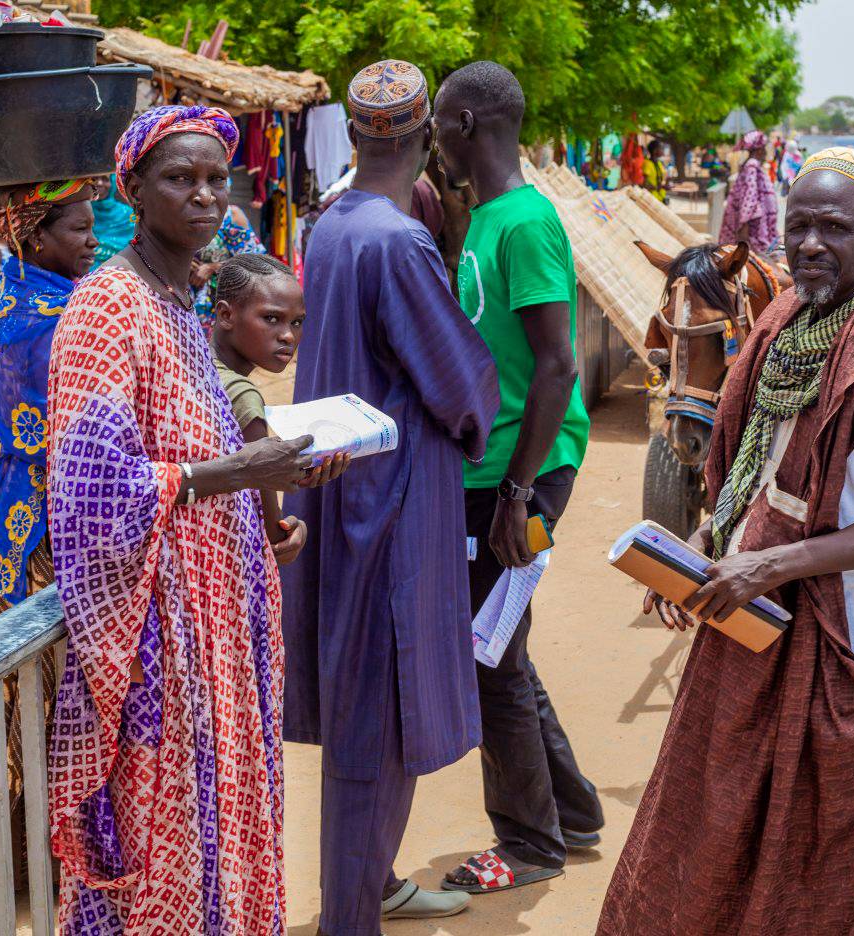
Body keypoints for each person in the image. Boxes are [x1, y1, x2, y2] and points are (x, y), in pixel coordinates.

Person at [599, 147, 854, 934]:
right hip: (755, 612)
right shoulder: (787, 321)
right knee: (728, 817)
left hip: (853, 625)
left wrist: (773, 563)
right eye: (799, 228)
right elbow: (752, 463)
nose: (813, 244)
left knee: (830, 839)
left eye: (834, 227)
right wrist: (703, 544)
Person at [45, 104, 345, 933]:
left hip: (218, 627)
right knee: (166, 838)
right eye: (180, 178)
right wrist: (241, 471)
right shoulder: (109, 309)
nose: (206, 195)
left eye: (217, 178)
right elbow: (92, 488)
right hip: (160, 644)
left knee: (222, 835)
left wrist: (262, 516)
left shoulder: (180, 302)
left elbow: (194, 453)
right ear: (132, 189)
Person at [280, 60, 500, 936]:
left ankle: (373, 890)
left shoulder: (332, 222)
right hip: (390, 503)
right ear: (420, 137)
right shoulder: (396, 239)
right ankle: (352, 916)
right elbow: (455, 382)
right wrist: (487, 419)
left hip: (342, 492)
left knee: (368, 712)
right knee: (376, 721)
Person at [431, 60, 603, 896]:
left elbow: (557, 364)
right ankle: (572, 811)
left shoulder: (525, 224)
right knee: (501, 644)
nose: (431, 138)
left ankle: (531, 843)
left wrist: (516, 492)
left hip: (521, 476)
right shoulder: (492, 217)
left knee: (485, 658)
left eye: (437, 122)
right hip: (500, 470)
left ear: (466, 125)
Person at [0, 176, 99, 899]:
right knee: (38, 695)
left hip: (8, 526)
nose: (93, 241)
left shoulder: (10, 294)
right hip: (43, 528)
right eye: (78, 229)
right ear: (36, 235)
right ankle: (28, 871)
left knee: (11, 691)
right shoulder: (49, 315)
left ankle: (9, 863)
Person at [209, 252, 310, 564]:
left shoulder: (198, 364)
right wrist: (298, 531)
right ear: (225, 315)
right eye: (271, 318)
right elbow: (274, 536)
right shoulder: (243, 396)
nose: (288, 335)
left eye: (296, 322)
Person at [191, 195, 266, 323]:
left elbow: (255, 262)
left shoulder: (231, 216)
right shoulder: (179, 215)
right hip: (185, 309)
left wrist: (212, 268)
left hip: (221, 311)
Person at [719, 130, 779, 253]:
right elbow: (749, 197)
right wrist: (743, 225)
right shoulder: (752, 166)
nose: (766, 152)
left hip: (753, 226)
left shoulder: (752, 165)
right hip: (752, 228)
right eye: (764, 148)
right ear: (759, 150)